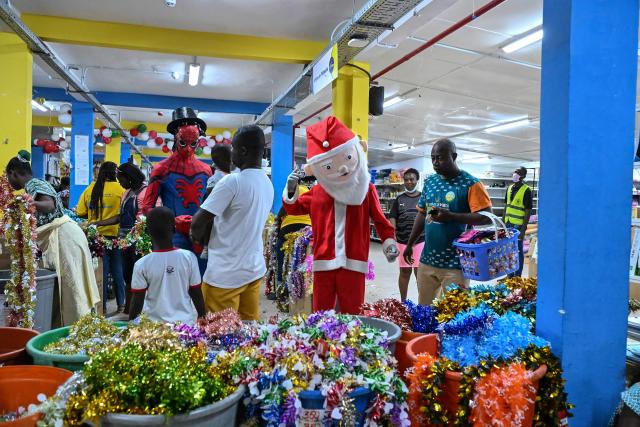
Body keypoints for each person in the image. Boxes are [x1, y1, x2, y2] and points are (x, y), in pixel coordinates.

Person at [283, 116, 399, 315]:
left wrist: (388, 241)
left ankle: (350, 345)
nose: (343, 168)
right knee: (321, 313)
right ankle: (322, 344)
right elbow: (294, 208)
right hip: (323, 261)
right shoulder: (318, 191)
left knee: (353, 312)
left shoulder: (366, 188)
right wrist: (291, 188)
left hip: (354, 261)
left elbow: (380, 220)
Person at [6, 150, 100, 326]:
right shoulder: (35, 184)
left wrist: (27, 203)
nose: (9, 182)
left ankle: (78, 329)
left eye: (8, 176)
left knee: (73, 288)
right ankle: (75, 326)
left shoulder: (32, 184)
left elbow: (49, 205)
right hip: (67, 237)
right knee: (73, 286)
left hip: (65, 238)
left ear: (14, 173)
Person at [190, 125, 274, 320]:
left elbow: (197, 222)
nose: (232, 153)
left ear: (243, 151)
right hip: (253, 270)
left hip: (225, 275)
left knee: (218, 337)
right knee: (248, 331)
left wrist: (196, 236)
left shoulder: (232, 182)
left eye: (234, 148)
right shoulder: (267, 183)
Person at [404, 139, 492, 305]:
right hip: (428, 260)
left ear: (454, 156)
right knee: (424, 311)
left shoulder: (471, 183)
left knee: (453, 314)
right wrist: (410, 244)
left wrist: (451, 216)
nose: (436, 163)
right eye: (433, 158)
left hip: (457, 263)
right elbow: (422, 214)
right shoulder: (430, 182)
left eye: (441, 158)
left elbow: (487, 216)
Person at [140, 107, 212, 274]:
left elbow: (210, 205)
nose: (188, 149)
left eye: (193, 143)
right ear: (175, 138)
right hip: (173, 235)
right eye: (183, 142)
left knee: (199, 285)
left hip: (200, 236)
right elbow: (147, 207)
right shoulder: (161, 169)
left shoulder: (206, 170)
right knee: (175, 285)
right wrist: (171, 221)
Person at [129, 206, 205, 324]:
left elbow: (137, 301)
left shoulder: (142, 264)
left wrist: (131, 325)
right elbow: (196, 293)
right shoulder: (189, 257)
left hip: (155, 331)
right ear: (174, 230)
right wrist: (202, 316)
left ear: (148, 232)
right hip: (186, 328)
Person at [76, 161, 126, 314]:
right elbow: (123, 214)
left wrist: (93, 216)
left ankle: (102, 307)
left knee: (100, 273)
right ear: (115, 173)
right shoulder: (121, 189)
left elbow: (80, 212)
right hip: (115, 236)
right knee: (118, 270)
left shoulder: (90, 189)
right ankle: (121, 305)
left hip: (95, 237)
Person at [271, 175, 315, 299]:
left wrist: (278, 228)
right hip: (306, 230)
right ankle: (303, 290)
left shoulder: (290, 191)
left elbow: (283, 210)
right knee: (303, 259)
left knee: (281, 256)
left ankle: (281, 289)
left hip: (288, 227)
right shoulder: (308, 192)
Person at [116, 162, 147, 314]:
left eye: (120, 179)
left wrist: (131, 238)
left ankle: (135, 310)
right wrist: (97, 223)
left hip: (138, 241)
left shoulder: (144, 193)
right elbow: (120, 216)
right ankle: (128, 310)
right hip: (125, 241)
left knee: (137, 275)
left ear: (129, 178)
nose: (119, 183)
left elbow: (143, 220)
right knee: (127, 275)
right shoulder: (126, 193)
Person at [389, 168, 423, 301]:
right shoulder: (399, 199)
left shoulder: (423, 197)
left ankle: (422, 302)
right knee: (404, 272)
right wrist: (394, 231)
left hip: (420, 242)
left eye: (412, 179)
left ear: (417, 180)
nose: (409, 182)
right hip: (402, 241)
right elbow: (392, 216)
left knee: (419, 273)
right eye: (406, 179)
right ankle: (403, 302)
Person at [503, 166, 532, 277]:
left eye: (518, 172)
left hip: (518, 225)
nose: (515, 173)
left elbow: (528, 210)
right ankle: (509, 275)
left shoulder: (526, 190)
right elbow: (506, 205)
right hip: (508, 223)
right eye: (515, 171)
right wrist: (503, 222)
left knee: (518, 250)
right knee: (507, 250)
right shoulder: (509, 188)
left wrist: (523, 229)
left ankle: (518, 276)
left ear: (523, 176)